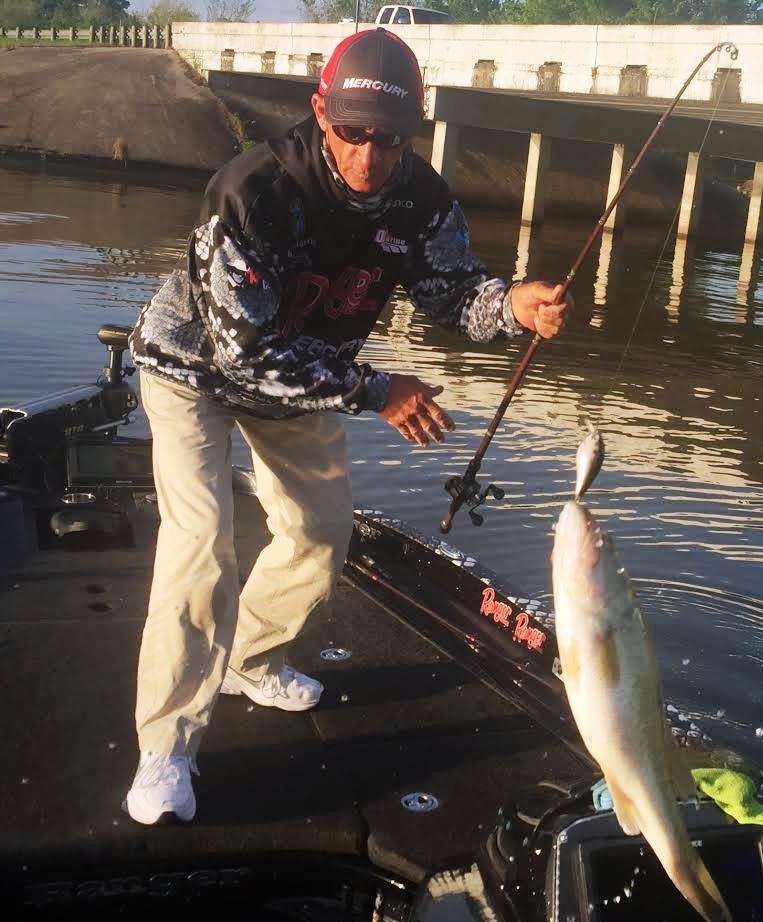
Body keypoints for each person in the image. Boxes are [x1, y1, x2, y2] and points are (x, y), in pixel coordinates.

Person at [123, 28, 571, 825]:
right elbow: (245, 354)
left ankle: (252, 659)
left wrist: (512, 306)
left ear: (412, 132)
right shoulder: (251, 191)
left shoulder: (420, 198)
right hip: (193, 370)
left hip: (307, 378)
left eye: (390, 140)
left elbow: (451, 291)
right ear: (319, 110)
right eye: (352, 134)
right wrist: (377, 390)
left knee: (321, 535)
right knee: (200, 550)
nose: (369, 158)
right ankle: (167, 747)